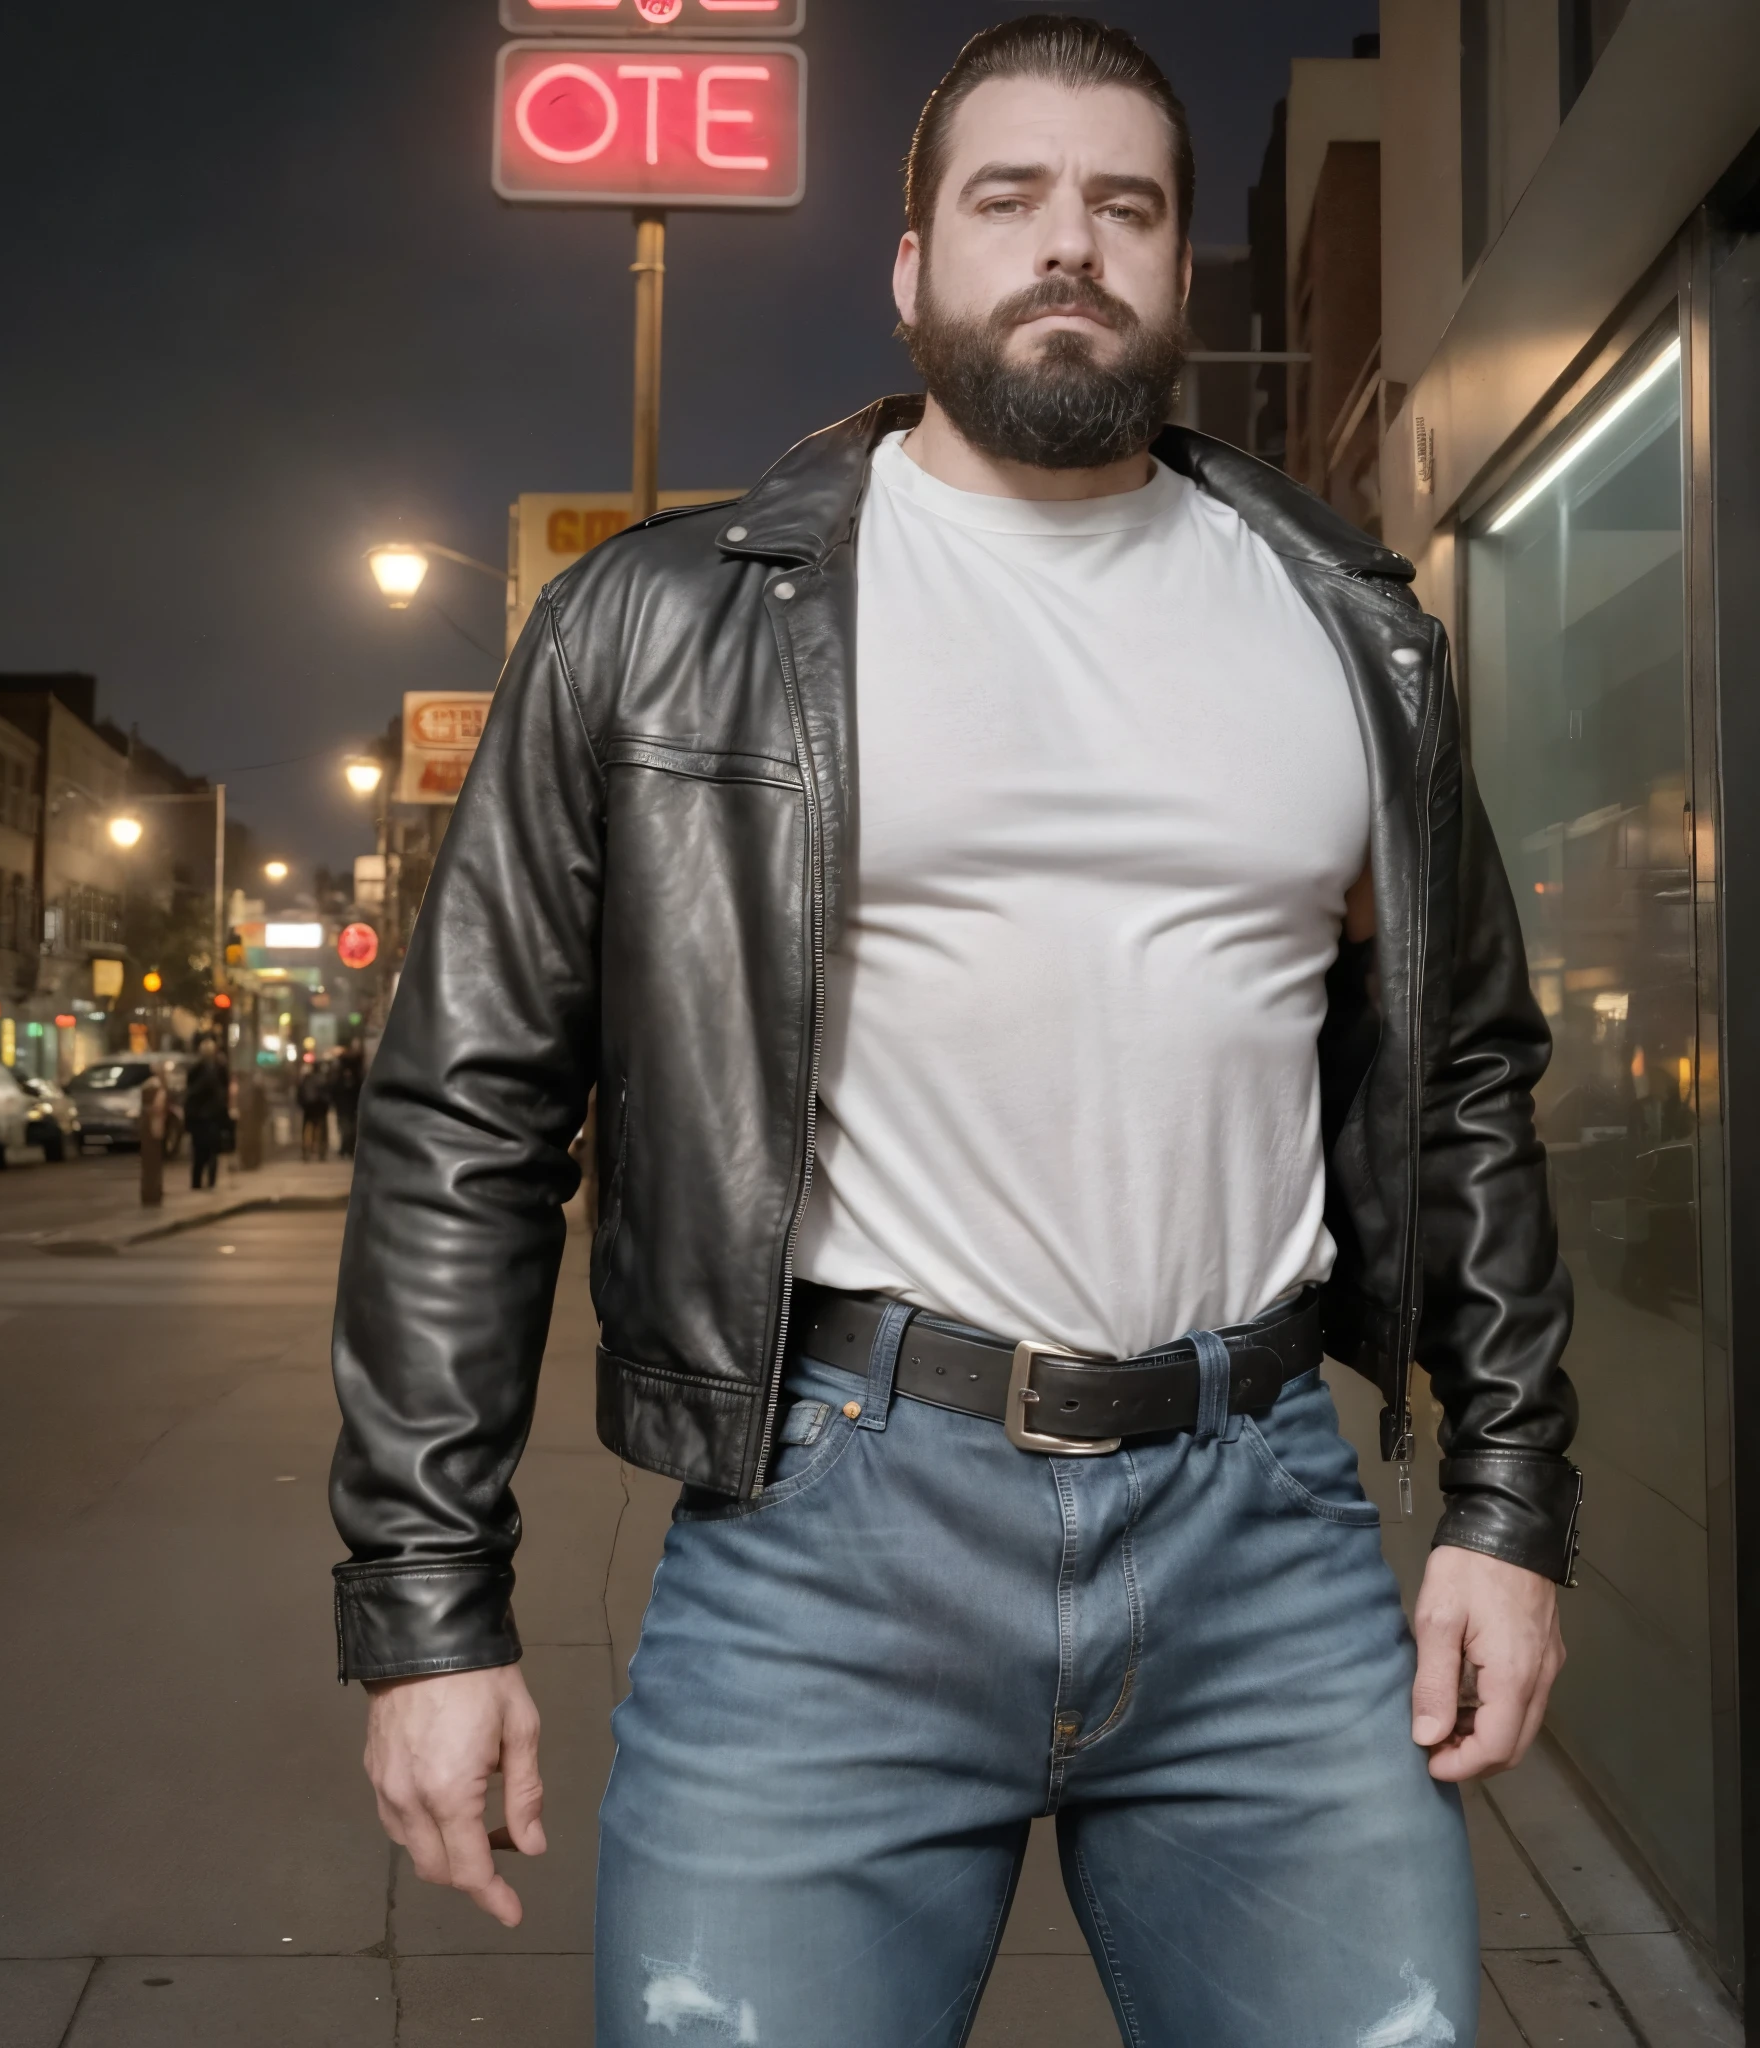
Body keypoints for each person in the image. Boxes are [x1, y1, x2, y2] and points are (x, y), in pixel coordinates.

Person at [328, 19, 1581, 2045]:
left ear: (1175, 273)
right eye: (1007, 199)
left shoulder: (1355, 630)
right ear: (912, 272)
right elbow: (462, 1115)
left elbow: (1464, 1080)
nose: (1066, 245)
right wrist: (424, 1612)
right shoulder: (660, 623)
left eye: (1123, 207)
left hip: (1260, 1531)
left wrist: (1512, 1505)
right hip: (828, 1542)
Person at [181, 1041, 230, 1192]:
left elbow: (190, 1093)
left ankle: (199, 1182)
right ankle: (208, 1182)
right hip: (208, 1117)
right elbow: (223, 1093)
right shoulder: (215, 1069)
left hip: (203, 1118)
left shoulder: (201, 1069)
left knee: (201, 1152)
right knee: (209, 1152)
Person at [329, 1040, 364, 1159]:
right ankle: (346, 1148)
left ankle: (346, 1148)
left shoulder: (342, 1076)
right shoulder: (355, 1076)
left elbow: (334, 1090)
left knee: (346, 1128)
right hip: (349, 1106)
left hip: (345, 1106)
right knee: (348, 1128)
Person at [297, 1060, 331, 1162]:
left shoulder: (307, 1079)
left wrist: (302, 1105)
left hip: (308, 1108)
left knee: (307, 1131)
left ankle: (306, 1152)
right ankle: (321, 1152)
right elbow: (328, 1095)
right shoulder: (324, 1079)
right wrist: (326, 1107)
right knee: (322, 1131)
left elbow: (300, 1093)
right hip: (320, 1109)